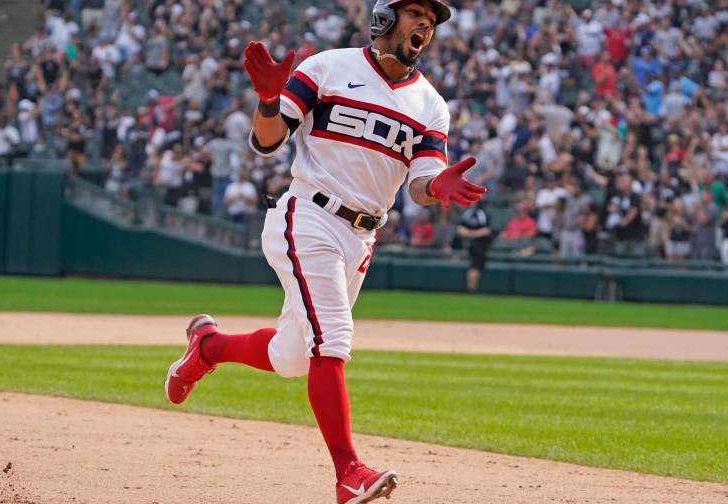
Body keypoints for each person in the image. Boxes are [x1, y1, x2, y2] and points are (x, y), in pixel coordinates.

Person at [163, 3, 485, 504]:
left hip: (361, 237)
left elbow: (421, 184)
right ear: (385, 17)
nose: (425, 23)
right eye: (415, 11)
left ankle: (208, 346)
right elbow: (266, 141)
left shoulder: (430, 104)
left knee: (292, 356)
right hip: (309, 214)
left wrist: (436, 186)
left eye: (431, 18)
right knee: (332, 338)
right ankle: (348, 472)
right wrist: (269, 99)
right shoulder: (328, 67)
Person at [457, 202, 492, 292]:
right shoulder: (467, 213)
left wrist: (471, 234)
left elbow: (487, 230)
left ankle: (472, 289)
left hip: (480, 244)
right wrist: (470, 234)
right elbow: (460, 228)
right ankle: (471, 290)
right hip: (468, 244)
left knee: (475, 267)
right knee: (474, 267)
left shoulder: (482, 213)